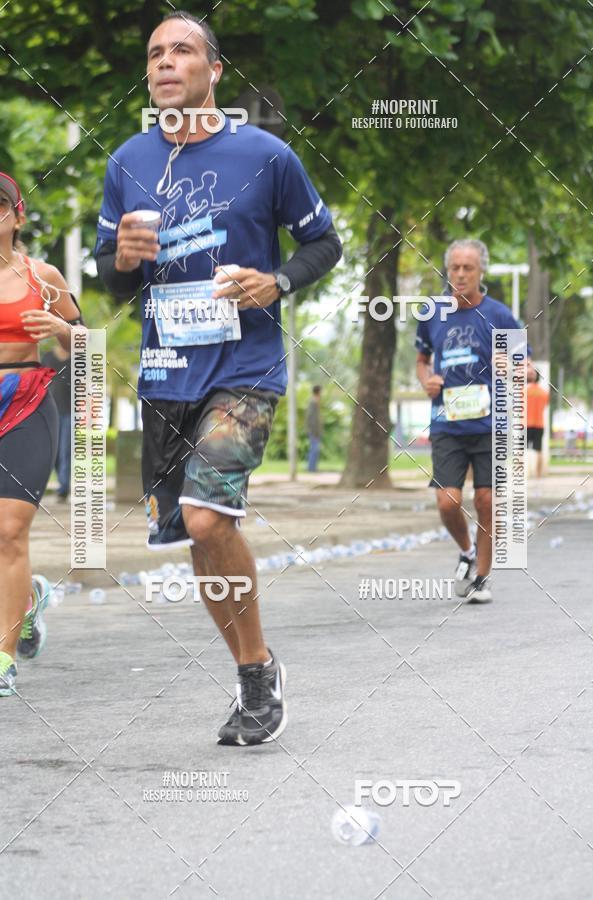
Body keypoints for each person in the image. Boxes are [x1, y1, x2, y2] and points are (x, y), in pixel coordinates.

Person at [95, 12, 342, 745]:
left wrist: (276, 282)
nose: (165, 63)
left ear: (215, 71)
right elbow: (111, 278)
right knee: (197, 535)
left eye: (181, 50)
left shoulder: (266, 155)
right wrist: (123, 260)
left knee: (208, 517)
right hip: (168, 372)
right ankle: (254, 669)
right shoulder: (127, 161)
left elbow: (323, 243)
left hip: (246, 367)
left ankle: (255, 676)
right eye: (155, 54)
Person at [0, 172, 84, 696]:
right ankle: (27, 600)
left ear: (18, 215)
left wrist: (63, 331)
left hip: (27, 403)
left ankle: (3, 658)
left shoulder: (42, 275)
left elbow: (86, 344)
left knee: (9, 530)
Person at [415, 238, 527, 604]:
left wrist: (512, 366)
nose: (460, 275)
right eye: (455, 268)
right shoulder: (431, 313)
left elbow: (528, 369)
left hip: (491, 426)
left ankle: (481, 577)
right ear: (447, 271)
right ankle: (466, 550)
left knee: (486, 501)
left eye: (468, 268)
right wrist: (426, 380)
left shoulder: (500, 315)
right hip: (446, 423)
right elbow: (422, 360)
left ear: (481, 272)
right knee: (447, 502)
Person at [41, 344, 71, 499]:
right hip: (50, 410)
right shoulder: (47, 357)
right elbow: (40, 383)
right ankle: (61, 481)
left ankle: (64, 487)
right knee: (54, 451)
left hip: (70, 411)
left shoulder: (76, 358)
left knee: (66, 450)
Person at [526, 367, 549, 478]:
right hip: (539, 424)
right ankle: (538, 475)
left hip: (526, 424)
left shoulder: (523, 391)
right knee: (538, 449)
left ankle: (521, 474)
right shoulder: (544, 392)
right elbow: (544, 406)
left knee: (520, 450)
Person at [305, 385, 322, 472]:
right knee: (314, 449)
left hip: (316, 430)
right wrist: (314, 430)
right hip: (313, 430)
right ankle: (311, 468)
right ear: (318, 392)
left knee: (315, 449)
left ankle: (312, 467)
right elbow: (311, 417)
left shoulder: (316, 401)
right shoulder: (313, 402)